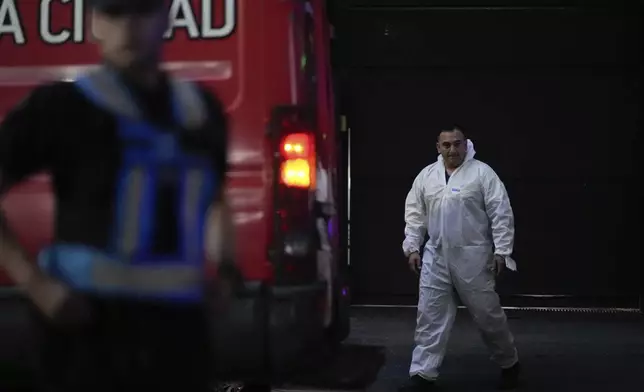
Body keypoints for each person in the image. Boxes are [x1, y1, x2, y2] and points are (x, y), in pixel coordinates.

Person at [0, 0, 236, 390]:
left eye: (141, 13)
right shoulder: (62, 109)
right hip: (88, 340)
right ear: (93, 23)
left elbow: (212, 201)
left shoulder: (201, 112)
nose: (127, 31)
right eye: (113, 15)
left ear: (166, 17)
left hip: (179, 341)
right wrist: (37, 286)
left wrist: (226, 273)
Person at [399, 126, 520, 391]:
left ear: (466, 145)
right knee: (430, 315)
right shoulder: (427, 177)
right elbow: (415, 214)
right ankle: (422, 373)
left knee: (488, 316)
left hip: (474, 257)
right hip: (436, 257)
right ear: (438, 147)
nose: (452, 150)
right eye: (446, 145)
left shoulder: (481, 174)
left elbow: (501, 212)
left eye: (457, 144)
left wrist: (502, 250)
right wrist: (413, 247)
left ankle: (509, 362)